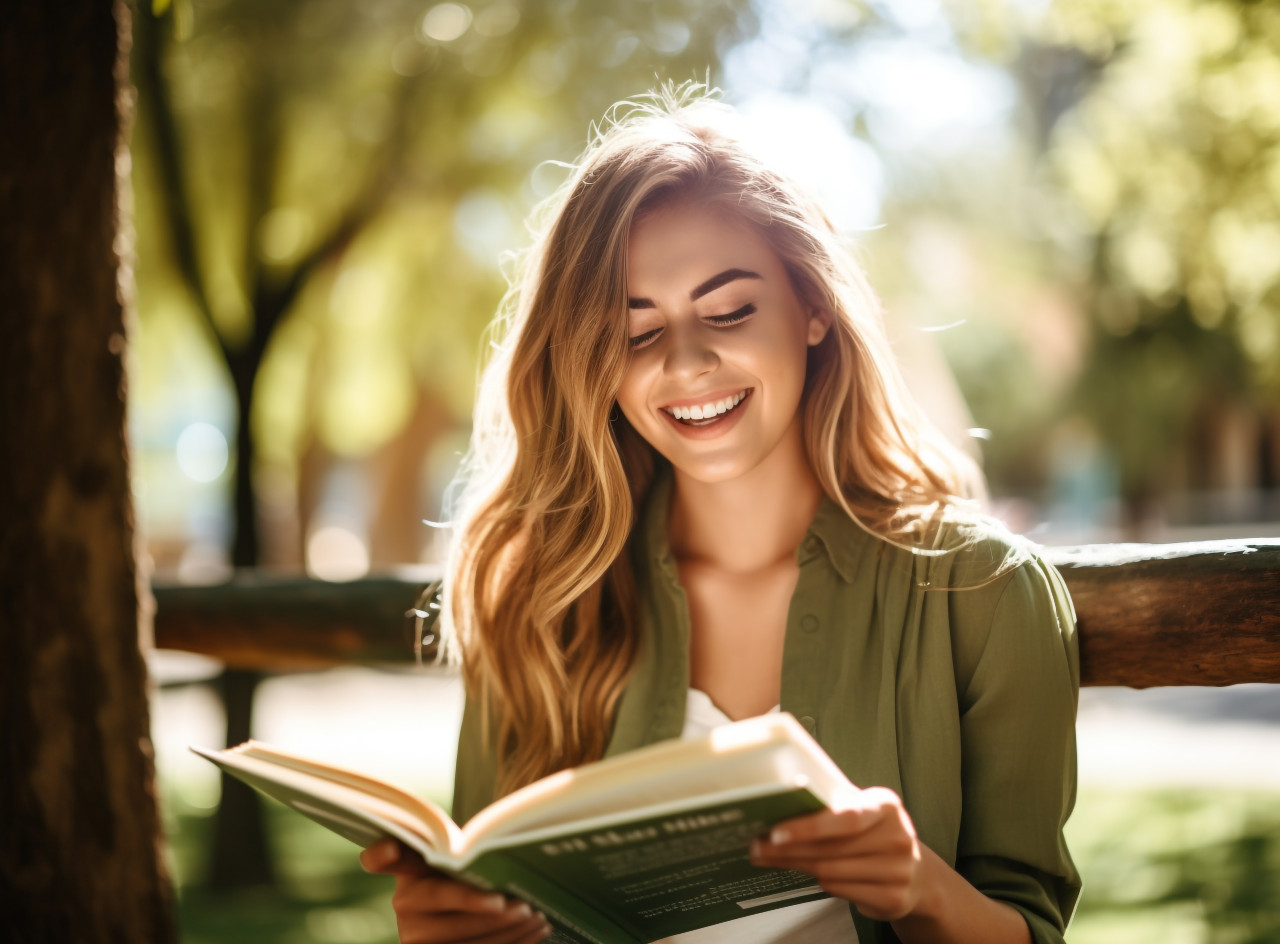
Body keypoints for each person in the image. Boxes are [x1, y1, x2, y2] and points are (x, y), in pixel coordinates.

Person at [361, 84, 1081, 944]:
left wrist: (923, 887)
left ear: (813, 308)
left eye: (730, 309)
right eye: (634, 332)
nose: (687, 361)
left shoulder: (987, 594)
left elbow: (1030, 926)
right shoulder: (540, 597)